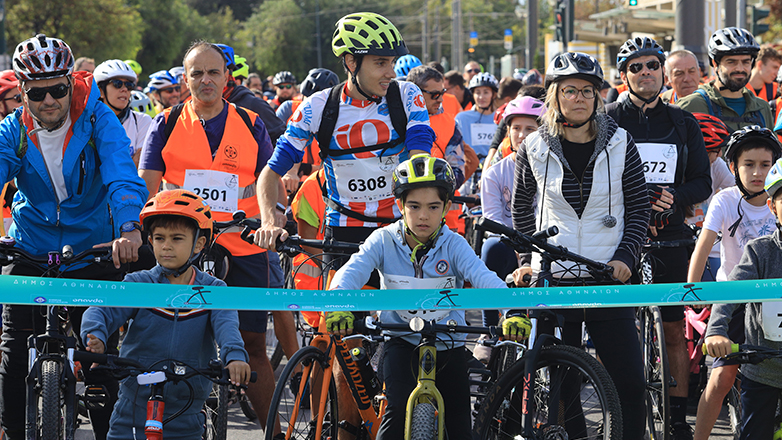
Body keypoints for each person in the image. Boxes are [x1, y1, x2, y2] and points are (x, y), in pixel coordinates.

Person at [0, 34, 148, 440]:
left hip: (92, 247)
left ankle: (111, 435)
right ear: (23, 93)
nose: (50, 101)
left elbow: (122, 174)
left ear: (70, 83)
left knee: (100, 355)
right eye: (38, 93)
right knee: (13, 352)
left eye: (59, 90)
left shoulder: (98, 117)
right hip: (31, 244)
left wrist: (129, 228)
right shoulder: (13, 129)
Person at [326, 154, 531, 440]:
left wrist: (514, 310)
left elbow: (484, 279)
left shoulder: (455, 244)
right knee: (395, 412)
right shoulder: (383, 240)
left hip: (450, 343)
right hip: (400, 342)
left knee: (460, 424)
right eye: (414, 206)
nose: (424, 215)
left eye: (433, 206)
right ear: (400, 206)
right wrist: (339, 304)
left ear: (447, 207)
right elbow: (351, 272)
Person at [137, 40, 285, 435]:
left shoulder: (251, 122)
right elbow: (147, 187)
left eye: (213, 72)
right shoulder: (166, 122)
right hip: (184, 247)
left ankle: (277, 432)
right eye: (196, 73)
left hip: (243, 245)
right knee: (168, 339)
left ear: (226, 77)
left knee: (253, 343)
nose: (205, 80)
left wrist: (272, 219)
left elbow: (270, 184)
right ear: (185, 79)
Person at [511, 52, 649, 440]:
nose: (579, 98)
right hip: (555, 275)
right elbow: (521, 207)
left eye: (587, 90)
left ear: (598, 97)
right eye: (569, 90)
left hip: (608, 274)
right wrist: (526, 259)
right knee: (562, 388)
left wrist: (626, 256)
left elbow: (638, 205)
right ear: (554, 96)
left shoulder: (621, 142)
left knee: (630, 385)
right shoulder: (534, 146)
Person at [254, 11, 433, 251]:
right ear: (351, 62)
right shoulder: (317, 106)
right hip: (343, 231)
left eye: (391, 62)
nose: (391, 73)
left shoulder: (406, 95)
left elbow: (420, 156)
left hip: (399, 227)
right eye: (380, 63)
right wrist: (268, 222)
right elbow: (270, 173)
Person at [80, 189, 251, 440]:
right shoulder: (140, 282)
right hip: (132, 409)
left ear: (199, 243)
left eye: (177, 238)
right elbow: (103, 309)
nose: (166, 246)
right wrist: (95, 334)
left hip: (187, 413)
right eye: (159, 238)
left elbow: (227, 328)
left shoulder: (214, 290)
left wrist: (235, 357)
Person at [607, 36, 712, 440]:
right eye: (636, 67)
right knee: (617, 331)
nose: (645, 73)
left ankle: (676, 421)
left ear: (661, 71)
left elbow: (702, 180)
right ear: (624, 75)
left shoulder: (682, 122)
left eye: (651, 65)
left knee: (672, 330)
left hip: (670, 234)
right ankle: (619, 412)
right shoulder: (607, 120)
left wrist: (674, 198)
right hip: (619, 236)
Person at [688, 126, 781, 440]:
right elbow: (704, 243)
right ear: (733, 168)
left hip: (772, 304)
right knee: (721, 379)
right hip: (735, 298)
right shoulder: (724, 200)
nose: (757, 172)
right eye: (749, 164)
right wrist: (692, 288)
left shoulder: (778, 197)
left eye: (765, 165)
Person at [475, 96, 544, 361]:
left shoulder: (556, 169)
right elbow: (494, 221)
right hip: (509, 246)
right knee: (490, 247)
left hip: (545, 247)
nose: (522, 135)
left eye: (530, 129)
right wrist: (519, 253)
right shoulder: (495, 173)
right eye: (516, 128)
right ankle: (490, 329)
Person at [678, 27, 773, 133]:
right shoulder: (690, 105)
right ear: (715, 64)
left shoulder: (762, 108)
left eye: (746, 62)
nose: (740, 68)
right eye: (731, 62)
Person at [685, 113, 736, 282]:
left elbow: (739, 192)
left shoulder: (716, 164)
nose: (718, 155)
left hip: (711, 247)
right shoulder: (676, 169)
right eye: (714, 151)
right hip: (682, 245)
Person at [406, 65, 466, 186]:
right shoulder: (390, 119)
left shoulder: (450, 124)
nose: (440, 100)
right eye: (434, 94)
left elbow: (457, 172)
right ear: (414, 92)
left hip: (439, 200)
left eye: (442, 93)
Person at [215, 44, 286, 145]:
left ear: (228, 75)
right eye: (199, 73)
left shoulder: (253, 105)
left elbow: (281, 140)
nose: (206, 79)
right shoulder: (195, 108)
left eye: (214, 72)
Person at [93, 59, 153, 166]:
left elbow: (141, 166)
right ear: (100, 91)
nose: (124, 89)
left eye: (129, 85)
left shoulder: (142, 121)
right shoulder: (86, 123)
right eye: (117, 84)